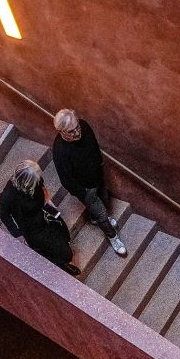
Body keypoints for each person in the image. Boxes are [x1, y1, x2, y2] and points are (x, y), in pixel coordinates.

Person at [51, 108, 127, 257]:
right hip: (85, 188)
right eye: (71, 131)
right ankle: (113, 237)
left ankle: (93, 217)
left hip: (97, 176)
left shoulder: (84, 127)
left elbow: (93, 145)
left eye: (77, 126)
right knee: (102, 215)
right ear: (61, 132)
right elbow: (66, 179)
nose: (77, 132)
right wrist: (83, 193)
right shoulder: (60, 151)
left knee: (104, 198)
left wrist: (99, 163)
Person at [0, 160, 79, 275]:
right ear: (27, 181)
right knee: (59, 252)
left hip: (44, 214)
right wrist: (18, 233)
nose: (39, 178)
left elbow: (42, 186)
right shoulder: (9, 195)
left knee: (62, 233)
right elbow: (4, 215)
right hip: (32, 228)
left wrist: (48, 199)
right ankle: (61, 263)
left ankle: (62, 258)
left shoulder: (35, 181)